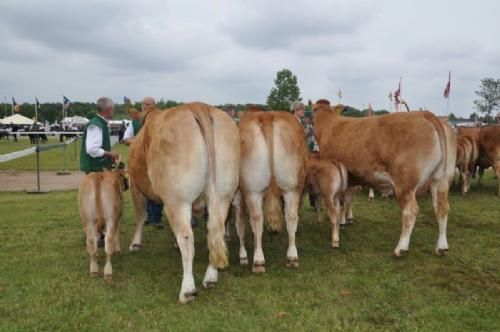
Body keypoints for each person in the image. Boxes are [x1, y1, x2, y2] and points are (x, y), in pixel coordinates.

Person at [80, 97, 119, 246]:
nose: (113, 111)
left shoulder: (100, 123)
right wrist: (109, 154)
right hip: (95, 169)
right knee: (96, 202)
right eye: (113, 108)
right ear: (108, 110)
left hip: (100, 167)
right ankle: (95, 232)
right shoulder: (95, 125)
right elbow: (92, 150)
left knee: (100, 202)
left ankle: (98, 232)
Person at [123, 97, 165, 228]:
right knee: (142, 189)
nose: (144, 106)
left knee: (158, 187)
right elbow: (125, 139)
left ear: (154, 106)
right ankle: (146, 216)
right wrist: (138, 142)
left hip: (157, 160)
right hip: (140, 161)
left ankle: (156, 217)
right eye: (143, 104)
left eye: (147, 104)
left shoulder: (161, 119)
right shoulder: (134, 122)